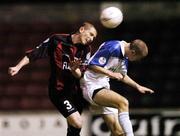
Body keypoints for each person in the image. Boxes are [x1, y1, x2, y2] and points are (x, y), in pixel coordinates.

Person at [8, 22, 97, 136]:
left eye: (94, 37)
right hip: (58, 91)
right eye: (90, 34)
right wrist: (18, 66)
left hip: (75, 93)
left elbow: (80, 74)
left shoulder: (86, 49)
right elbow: (35, 53)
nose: (91, 39)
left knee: (74, 129)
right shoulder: (57, 39)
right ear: (81, 29)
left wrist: (74, 69)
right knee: (78, 123)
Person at [80, 39, 154, 136]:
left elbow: (122, 76)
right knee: (123, 102)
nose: (137, 60)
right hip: (90, 84)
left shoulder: (125, 56)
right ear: (133, 52)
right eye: (137, 58)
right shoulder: (113, 47)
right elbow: (91, 65)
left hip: (103, 86)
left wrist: (138, 86)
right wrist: (111, 73)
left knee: (118, 132)